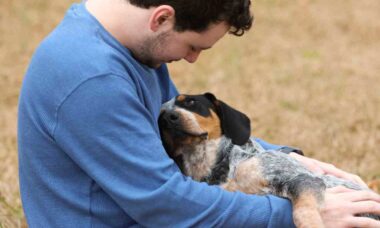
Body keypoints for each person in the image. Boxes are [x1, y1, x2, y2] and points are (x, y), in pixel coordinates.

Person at [17, 0, 380, 227]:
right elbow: (164, 204)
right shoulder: (92, 76)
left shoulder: (132, 50)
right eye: (193, 46)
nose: (192, 59)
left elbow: (202, 140)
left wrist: (291, 160)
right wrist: (301, 214)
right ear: (161, 18)